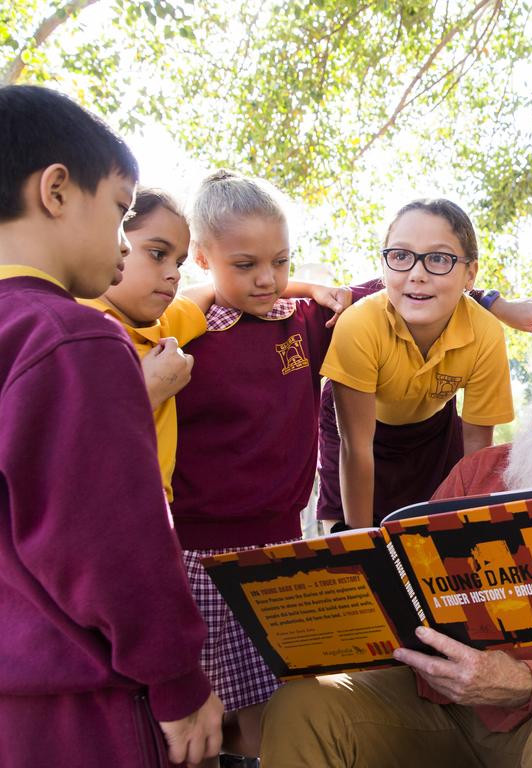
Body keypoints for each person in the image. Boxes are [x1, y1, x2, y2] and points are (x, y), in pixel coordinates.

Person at [261, 300, 532, 767]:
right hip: (435, 705)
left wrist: (521, 679)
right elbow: (404, 594)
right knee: (304, 703)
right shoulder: (479, 471)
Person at [0, 84, 221, 766]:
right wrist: (179, 683)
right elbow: (113, 542)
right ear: (58, 190)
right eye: (121, 210)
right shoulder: (73, 338)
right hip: (77, 706)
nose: (122, 242)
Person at [169, 169, 355, 761]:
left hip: (281, 548)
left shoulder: (301, 321)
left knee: (274, 705)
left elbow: (377, 293)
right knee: (204, 714)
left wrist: (311, 286)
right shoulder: (184, 336)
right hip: (199, 554)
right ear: (202, 256)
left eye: (280, 261)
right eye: (245, 264)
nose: (267, 278)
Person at [319, 199, 515, 529]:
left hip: (433, 429)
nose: (417, 275)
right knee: (351, 548)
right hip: (358, 433)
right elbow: (357, 448)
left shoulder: (485, 333)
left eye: (438, 258)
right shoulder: (359, 325)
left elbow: (478, 451)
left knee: (440, 540)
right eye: (400, 256)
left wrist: (473, 532)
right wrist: (361, 540)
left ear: (470, 273)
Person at [79, 188, 207, 501]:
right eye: (157, 253)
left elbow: (214, 292)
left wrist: (313, 290)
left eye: (179, 262)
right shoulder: (73, 329)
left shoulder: (163, 325)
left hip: (154, 515)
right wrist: (149, 390)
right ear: (115, 239)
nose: (174, 274)